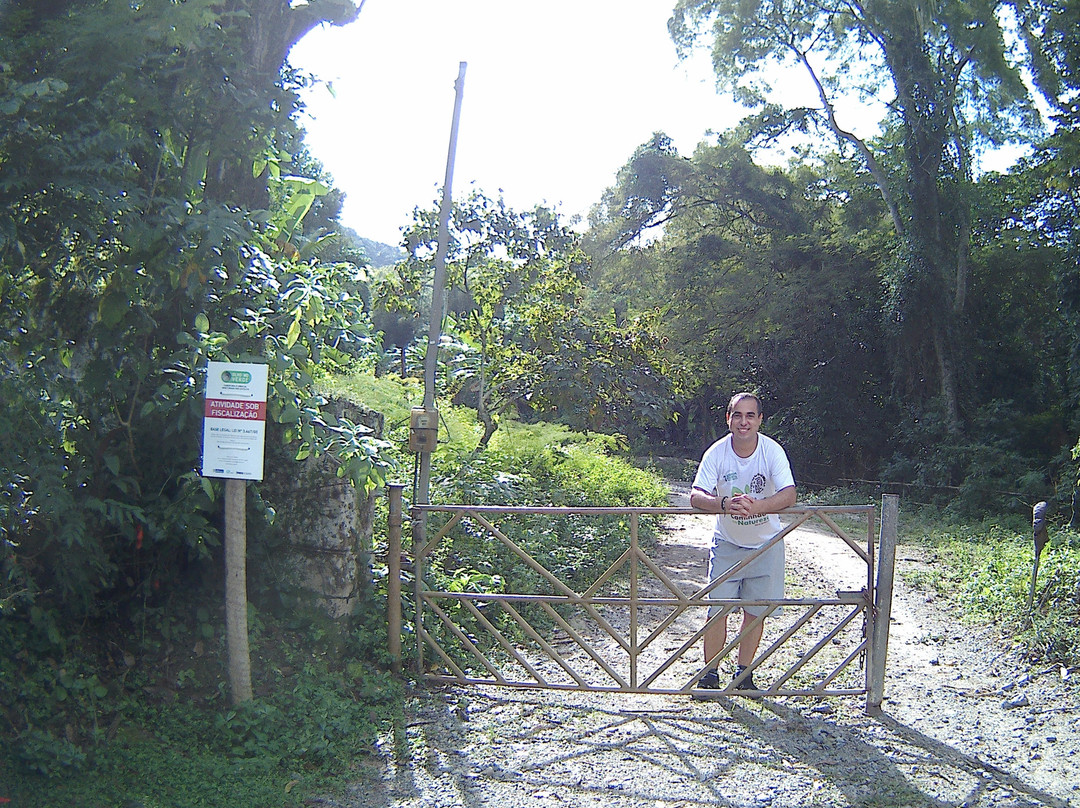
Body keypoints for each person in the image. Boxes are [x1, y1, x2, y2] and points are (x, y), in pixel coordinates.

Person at [690, 392, 796, 691]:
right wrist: (724, 504)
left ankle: (743, 675)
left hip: (766, 545)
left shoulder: (772, 451)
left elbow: (789, 494)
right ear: (728, 419)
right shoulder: (717, 452)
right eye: (738, 415)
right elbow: (696, 495)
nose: (744, 421)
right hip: (727, 543)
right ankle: (710, 674)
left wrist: (758, 506)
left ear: (760, 420)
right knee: (717, 609)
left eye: (750, 415)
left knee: (755, 611)